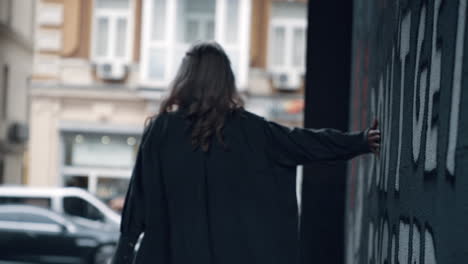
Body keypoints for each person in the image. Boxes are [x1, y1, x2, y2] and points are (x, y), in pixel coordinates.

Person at [111, 41, 380, 264]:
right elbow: (304, 143)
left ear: (185, 79)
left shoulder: (161, 131)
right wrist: (360, 141)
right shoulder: (251, 131)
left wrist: (123, 255)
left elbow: (138, 202)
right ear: (226, 82)